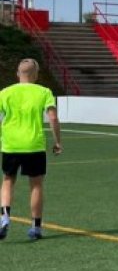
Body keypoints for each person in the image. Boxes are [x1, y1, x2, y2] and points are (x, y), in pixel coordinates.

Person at [0, 59, 63, 241]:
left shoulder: (5, 92)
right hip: (33, 145)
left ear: (17, 74)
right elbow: (53, 118)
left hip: (10, 144)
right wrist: (58, 141)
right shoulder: (43, 92)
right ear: (36, 75)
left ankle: (4, 217)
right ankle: (35, 227)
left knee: (7, 181)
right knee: (36, 185)